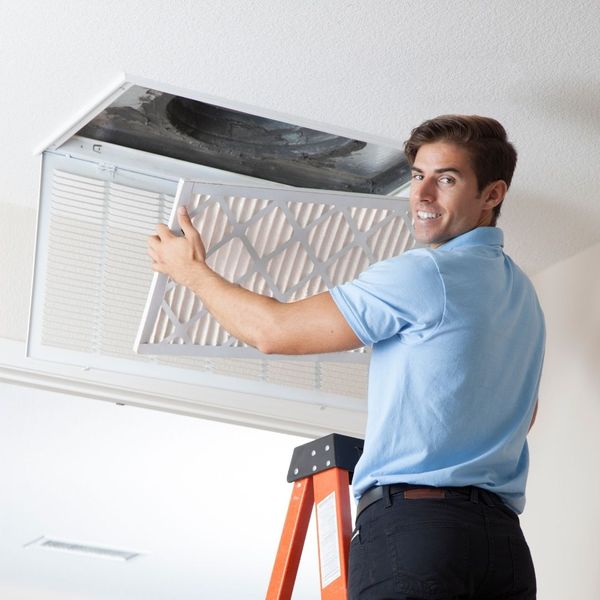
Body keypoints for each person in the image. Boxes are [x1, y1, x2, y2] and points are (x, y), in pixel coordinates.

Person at [148, 115, 545, 599]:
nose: (420, 196)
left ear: (492, 194)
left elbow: (274, 332)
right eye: (418, 176)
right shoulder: (522, 296)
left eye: (446, 179)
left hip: (421, 534)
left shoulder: (426, 274)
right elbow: (524, 415)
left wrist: (191, 273)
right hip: (504, 551)